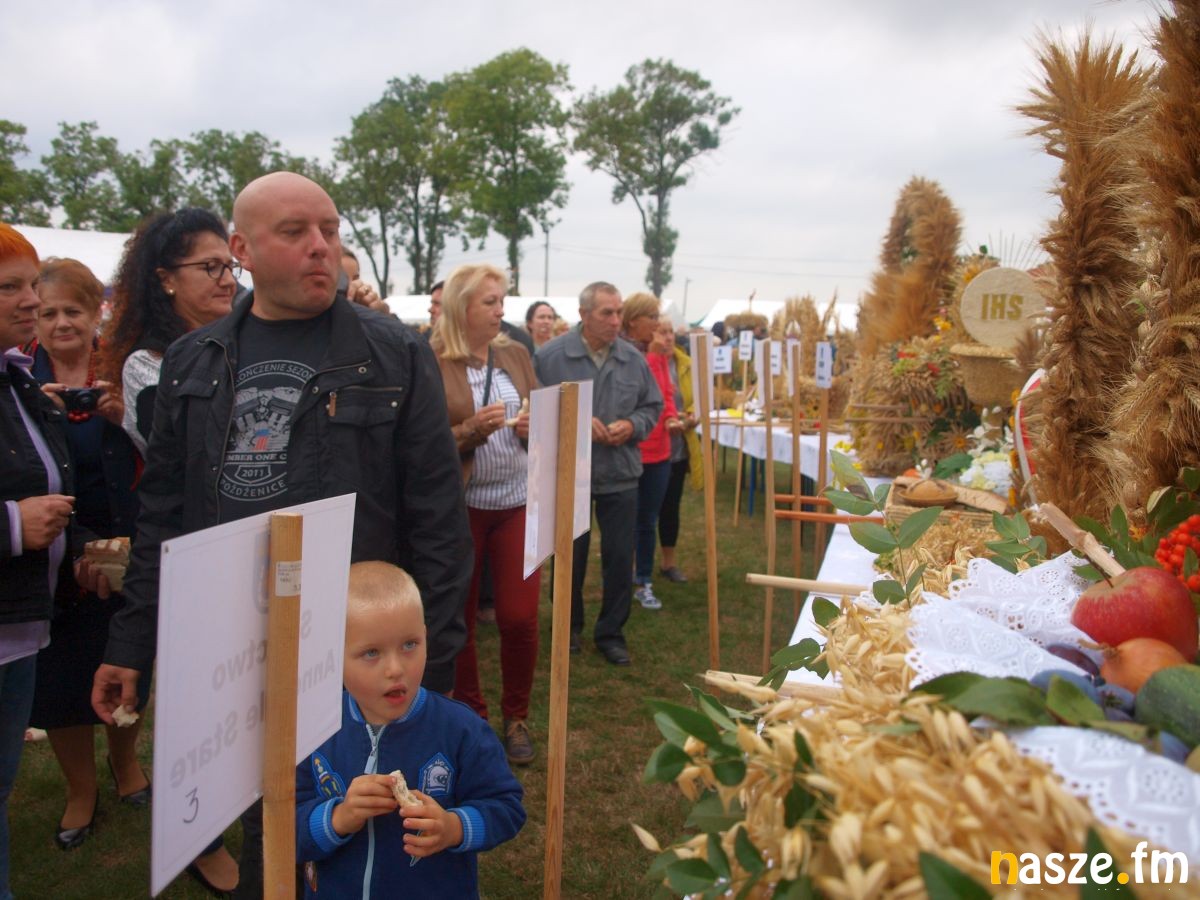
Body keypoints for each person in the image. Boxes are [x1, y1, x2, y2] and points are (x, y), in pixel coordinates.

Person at [92, 172, 472, 898]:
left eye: (329, 229)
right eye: (295, 232)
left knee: (359, 829)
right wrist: (131, 644)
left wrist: (435, 667)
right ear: (242, 249)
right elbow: (163, 514)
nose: (320, 246)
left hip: (354, 645)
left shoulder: (393, 353)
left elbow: (438, 523)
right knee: (268, 824)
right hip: (236, 643)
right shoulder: (193, 360)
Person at [96, 207, 242, 892]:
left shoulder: (240, 341)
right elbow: (185, 457)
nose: (227, 279)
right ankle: (197, 833)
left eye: (229, 265)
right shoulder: (148, 364)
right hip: (186, 551)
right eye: (209, 267)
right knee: (196, 702)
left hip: (239, 543)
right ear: (164, 279)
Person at [295, 561, 525, 898]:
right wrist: (338, 818)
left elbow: (506, 808)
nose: (395, 668)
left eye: (409, 645)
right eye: (371, 652)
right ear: (333, 656)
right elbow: (284, 826)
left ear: (425, 638)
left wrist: (454, 827)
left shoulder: (461, 730)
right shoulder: (315, 729)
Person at [27, 258, 148, 853]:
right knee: (60, 678)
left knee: (127, 660)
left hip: (126, 540)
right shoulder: (20, 379)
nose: (60, 323)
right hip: (53, 550)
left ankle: (125, 764)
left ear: (95, 311)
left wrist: (124, 416)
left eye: (72, 310)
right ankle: (81, 788)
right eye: (47, 313)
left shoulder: (123, 367)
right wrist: (36, 415)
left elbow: (162, 448)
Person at [432, 264, 539, 765]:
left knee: (519, 616)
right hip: (462, 508)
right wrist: (472, 429)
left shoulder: (515, 354)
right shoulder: (433, 360)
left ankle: (516, 716)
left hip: (517, 502)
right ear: (462, 308)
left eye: (502, 301)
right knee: (462, 619)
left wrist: (533, 426)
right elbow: (424, 440)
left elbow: (544, 414)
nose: (501, 311)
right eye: (490, 302)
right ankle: (473, 714)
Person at [0, 224, 74, 900]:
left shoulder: (13, 375)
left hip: (18, 627)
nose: (31, 300)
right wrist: (11, 525)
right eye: (10, 288)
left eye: (32, 284)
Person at [534, 282, 662, 665]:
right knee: (569, 556)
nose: (616, 320)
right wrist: (571, 420)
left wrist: (633, 425)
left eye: (619, 312)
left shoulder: (633, 358)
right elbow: (532, 410)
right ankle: (568, 627)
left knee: (620, 557)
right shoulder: (551, 357)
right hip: (570, 473)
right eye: (607, 313)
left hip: (620, 472)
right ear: (584, 314)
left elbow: (652, 406)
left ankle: (611, 633)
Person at [619, 294, 680, 611]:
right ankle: (622, 577)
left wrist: (672, 417)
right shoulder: (625, 354)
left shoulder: (659, 356)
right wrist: (655, 357)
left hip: (659, 451)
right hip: (632, 448)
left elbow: (664, 395)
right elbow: (641, 394)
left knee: (647, 519)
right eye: (653, 318)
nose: (658, 326)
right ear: (634, 320)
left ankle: (643, 579)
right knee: (624, 520)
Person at [655, 317, 703, 583]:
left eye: (670, 331)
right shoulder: (646, 362)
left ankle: (668, 562)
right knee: (644, 511)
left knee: (670, 507)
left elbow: (697, 400)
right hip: (651, 448)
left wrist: (691, 416)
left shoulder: (685, 364)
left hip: (678, 448)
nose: (668, 337)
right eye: (661, 332)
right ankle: (636, 564)